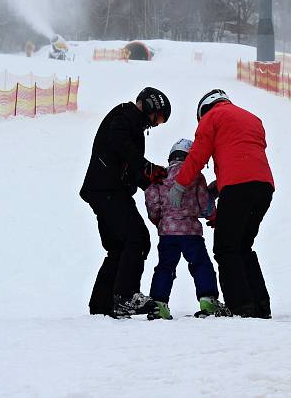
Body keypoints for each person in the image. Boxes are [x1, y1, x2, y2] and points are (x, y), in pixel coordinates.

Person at [167, 89, 275, 318]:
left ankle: (240, 307)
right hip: (264, 187)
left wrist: (180, 185)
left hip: (238, 188)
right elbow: (243, 155)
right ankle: (260, 306)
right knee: (243, 246)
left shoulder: (212, 117)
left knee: (226, 248)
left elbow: (198, 154)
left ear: (203, 110)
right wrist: (220, 184)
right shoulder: (252, 118)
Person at [80, 87, 171, 318]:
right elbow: (121, 146)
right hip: (107, 189)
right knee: (137, 238)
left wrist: (150, 181)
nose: (156, 124)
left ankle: (102, 304)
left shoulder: (134, 126)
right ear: (150, 106)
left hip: (108, 190)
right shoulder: (123, 116)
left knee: (118, 248)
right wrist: (146, 167)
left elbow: (130, 166)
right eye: (158, 118)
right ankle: (126, 296)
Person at [145, 139, 229, 320]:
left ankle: (158, 304)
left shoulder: (160, 176)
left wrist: (160, 221)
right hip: (191, 232)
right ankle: (208, 299)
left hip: (167, 233)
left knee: (165, 267)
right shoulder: (196, 176)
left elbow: (152, 202)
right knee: (201, 265)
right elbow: (204, 204)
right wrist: (213, 215)